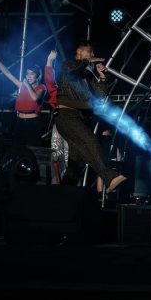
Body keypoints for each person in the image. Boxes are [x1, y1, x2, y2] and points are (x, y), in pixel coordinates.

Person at [55, 42, 126, 194]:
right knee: (90, 141)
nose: (90, 55)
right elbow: (73, 71)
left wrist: (102, 78)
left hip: (79, 117)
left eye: (88, 52)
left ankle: (62, 193)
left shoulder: (88, 75)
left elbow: (99, 96)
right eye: (83, 52)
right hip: (66, 115)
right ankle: (110, 177)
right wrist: (87, 61)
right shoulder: (68, 65)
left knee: (77, 162)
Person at [0, 49, 46, 147]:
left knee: (33, 150)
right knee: (17, 149)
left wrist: (27, 85)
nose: (29, 76)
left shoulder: (41, 87)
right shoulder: (22, 86)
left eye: (32, 74)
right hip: (19, 122)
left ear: (37, 76)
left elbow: (35, 98)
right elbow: (7, 73)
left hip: (32, 123)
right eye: (27, 73)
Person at [43, 50, 70, 184]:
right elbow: (49, 81)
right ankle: (56, 185)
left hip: (74, 128)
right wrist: (49, 60)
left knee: (69, 158)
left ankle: (69, 186)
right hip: (59, 126)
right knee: (55, 156)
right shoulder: (58, 91)